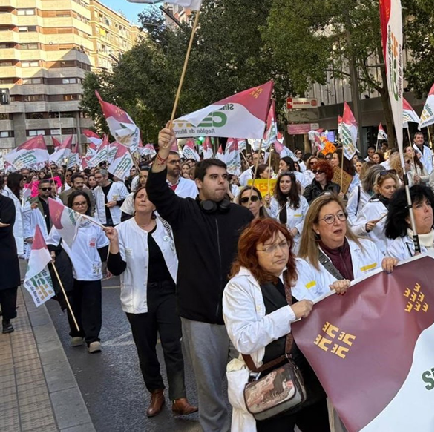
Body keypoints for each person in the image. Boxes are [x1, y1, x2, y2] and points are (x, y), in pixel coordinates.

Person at [147, 124, 255, 432]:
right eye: (213, 177)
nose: (221, 182)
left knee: (247, 382)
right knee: (210, 390)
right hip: (200, 317)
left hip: (241, 316)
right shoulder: (183, 212)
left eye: (224, 178)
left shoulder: (242, 216)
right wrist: (163, 151)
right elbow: (155, 191)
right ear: (198, 183)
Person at [223, 218, 331, 432]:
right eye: (269, 247)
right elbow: (244, 340)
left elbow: (323, 298)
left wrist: (336, 289)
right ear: (253, 252)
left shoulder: (297, 270)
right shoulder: (238, 288)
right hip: (272, 384)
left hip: (310, 376)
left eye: (283, 244)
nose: (280, 252)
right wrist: (289, 313)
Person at [104, 187, 199, 418]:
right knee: (146, 349)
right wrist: (114, 243)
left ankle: (179, 397)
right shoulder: (122, 230)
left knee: (172, 345)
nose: (143, 199)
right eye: (139, 196)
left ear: (156, 204)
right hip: (138, 295)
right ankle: (156, 391)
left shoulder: (166, 226)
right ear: (133, 202)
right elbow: (116, 268)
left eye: (148, 196)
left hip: (168, 293)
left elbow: (180, 257)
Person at [298, 195, 399, 296]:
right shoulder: (306, 265)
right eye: (329, 218)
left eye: (341, 215)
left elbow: (387, 285)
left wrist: (390, 266)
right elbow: (309, 305)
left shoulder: (367, 247)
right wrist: (331, 295)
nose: (337, 222)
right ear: (315, 228)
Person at [48, 190, 109, 353]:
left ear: (88, 205)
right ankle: (77, 332)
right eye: (77, 204)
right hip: (70, 271)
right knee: (73, 303)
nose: (80, 207)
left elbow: (103, 248)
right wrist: (52, 253)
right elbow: (51, 242)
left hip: (91, 271)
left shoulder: (96, 224)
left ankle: (93, 338)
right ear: (70, 206)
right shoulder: (62, 222)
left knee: (92, 305)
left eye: (83, 203)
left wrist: (105, 265)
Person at [384, 185, 434, 261]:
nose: (427, 209)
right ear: (407, 217)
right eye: (418, 206)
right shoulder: (397, 249)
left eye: (428, 203)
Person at [353, 170, 399, 247]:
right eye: (388, 187)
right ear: (379, 188)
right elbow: (354, 230)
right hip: (380, 251)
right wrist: (365, 226)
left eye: (394, 186)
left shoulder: (399, 204)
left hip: (398, 251)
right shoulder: (371, 206)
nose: (392, 190)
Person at [270, 172, 309, 253]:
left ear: (292, 184)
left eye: (287, 182)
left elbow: (307, 218)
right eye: (282, 181)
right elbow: (271, 218)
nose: (284, 184)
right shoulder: (274, 200)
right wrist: (267, 206)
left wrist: (297, 229)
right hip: (280, 240)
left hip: (298, 241)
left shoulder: (302, 201)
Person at [0, 193, 18, 334]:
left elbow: (5, 224)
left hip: (5, 250)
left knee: (7, 287)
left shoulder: (7, 202)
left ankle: (7, 320)